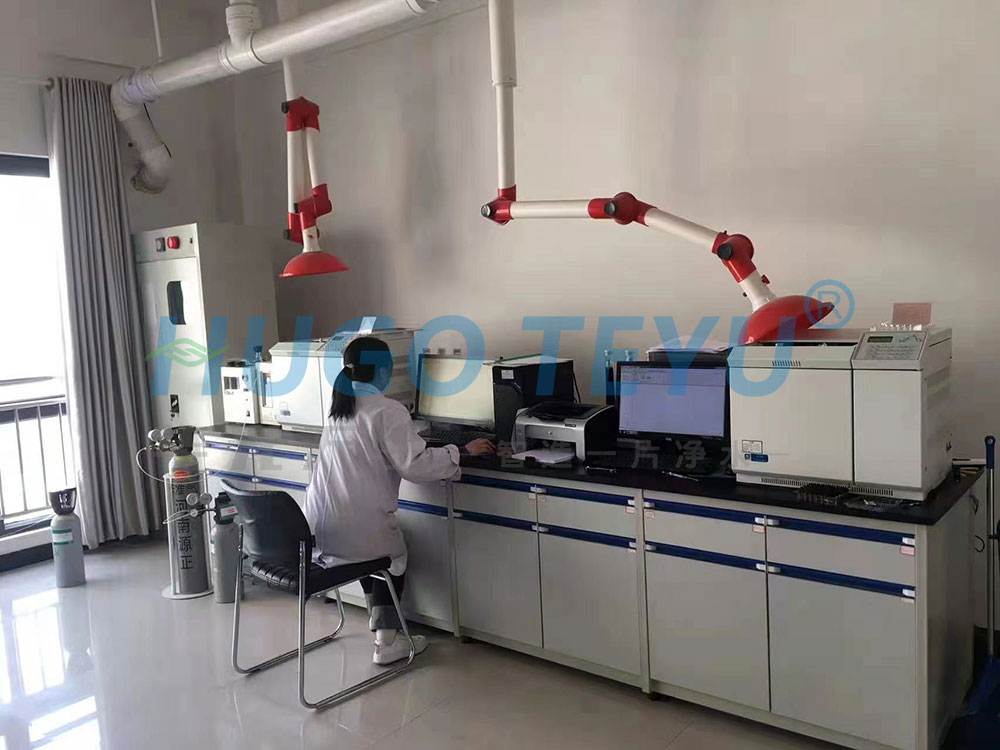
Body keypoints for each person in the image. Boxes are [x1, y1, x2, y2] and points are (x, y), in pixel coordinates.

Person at [304, 336, 495, 665]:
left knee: (375, 550)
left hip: (318, 528)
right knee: (392, 556)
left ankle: (379, 623)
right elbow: (415, 466)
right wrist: (461, 450)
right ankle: (386, 641)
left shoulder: (339, 408)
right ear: (382, 370)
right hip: (354, 529)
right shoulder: (386, 410)